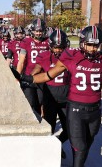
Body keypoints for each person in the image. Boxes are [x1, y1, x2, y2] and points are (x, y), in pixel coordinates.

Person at [21, 26, 102, 167]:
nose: (92, 49)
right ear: (82, 43)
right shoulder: (71, 55)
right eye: (89, 44)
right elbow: (49, 75)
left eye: (96, 45)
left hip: (95, 110)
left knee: (87, 144)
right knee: (79, 147)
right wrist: (28, 79)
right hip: (75, 108)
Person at [31, 29, 70, 159]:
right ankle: (47, 154)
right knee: (49, 128)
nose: (58, 50)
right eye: (56, 47)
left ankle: (58, 143)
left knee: (70, 129)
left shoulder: (71, 56)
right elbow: (36, 71)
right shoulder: (44, 56)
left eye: (61, 47)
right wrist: (30, 78)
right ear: (50, 46)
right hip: (50, 98)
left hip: (66, 98)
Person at [17, 18, 49, 116]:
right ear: (32, 30)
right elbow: (21, 61)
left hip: (43, 77)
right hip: (29, 76)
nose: (39, 33)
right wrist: (17, 77)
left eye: (40, 31)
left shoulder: (48, 42)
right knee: (30, 102)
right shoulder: (26, 41)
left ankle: (41, 121)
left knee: (41, 102)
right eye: (36, 31)